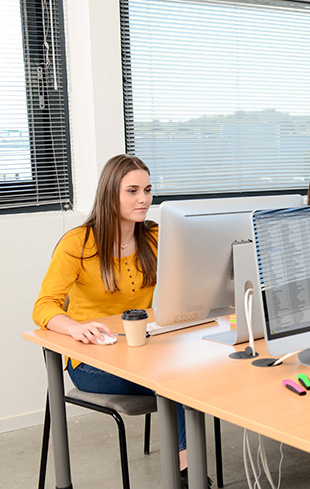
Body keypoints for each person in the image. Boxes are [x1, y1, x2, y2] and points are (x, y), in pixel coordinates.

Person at [32, 155, 204, 486]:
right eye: (133, 191)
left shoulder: (155, 237)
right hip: (91, 362)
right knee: (178, 385)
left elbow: (189, 279)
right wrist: (75, 327)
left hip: (148, 351)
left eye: (149, 190)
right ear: (111, 194)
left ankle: (187, 472)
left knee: (192, 376)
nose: (144, 199)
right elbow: (44, 305)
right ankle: (188, 474)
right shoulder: (78, 244)